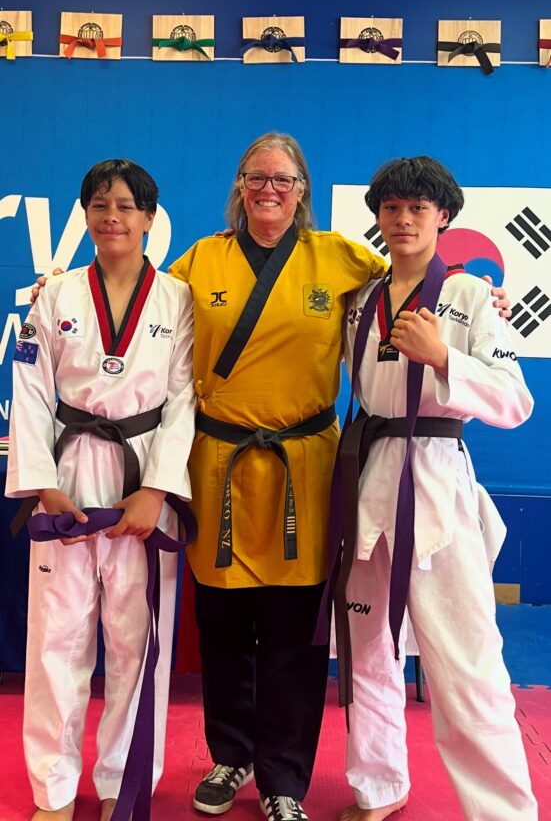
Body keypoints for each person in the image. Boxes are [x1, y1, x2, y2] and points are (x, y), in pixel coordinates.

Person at [167, 134, 510, 821]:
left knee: (297, 631)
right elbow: (150, 315)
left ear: (304, 189)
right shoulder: (201, 258)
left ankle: (284, 781)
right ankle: (231, 754)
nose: (269, 188)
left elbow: (421, 281)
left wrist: (479, 309)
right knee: (225, 623)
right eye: (256, 176)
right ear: (238, 185)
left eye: (284, 178)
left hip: (310, 465)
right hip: (223, 464)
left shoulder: (340, 258)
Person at [336, 156, 537, 821]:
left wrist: (445, 355)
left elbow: (514, 400)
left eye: (416, 209)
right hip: (368, 479)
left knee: (467, 663)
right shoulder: (360, 301)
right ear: (377, 218)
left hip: (437, 480)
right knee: (367, 656)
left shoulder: (473, 297)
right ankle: (377, 785)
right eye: (390, 208)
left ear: (442, 217)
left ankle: (502, 811)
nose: (402, 220)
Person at [6, 159, 196, 821]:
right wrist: (39, 484)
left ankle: (124, 778)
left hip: (141, 473)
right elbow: (29, 390)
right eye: (98, 204)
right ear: (84, 215)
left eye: (125, 205)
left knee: (135, 639)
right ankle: (53, 789)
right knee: (55, 638)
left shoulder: (177, 299)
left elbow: (185, 401)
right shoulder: (53, 297)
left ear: (149, 218)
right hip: (69, 470)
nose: (110, 216)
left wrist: (159, 492)